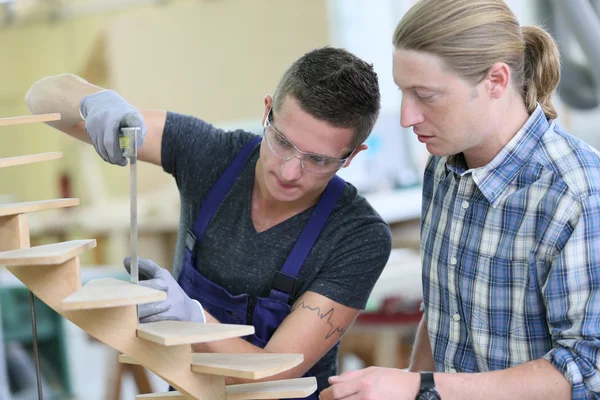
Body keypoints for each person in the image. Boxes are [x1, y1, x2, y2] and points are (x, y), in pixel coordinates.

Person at [25, 47, 392, 397]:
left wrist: (194, 319)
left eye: (318, 160)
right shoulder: (211, 155)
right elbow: (40, 98)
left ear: (351, 156)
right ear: (267, 111)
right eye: (282, 140)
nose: (290, 170)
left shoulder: (358, 236)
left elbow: (276, 372)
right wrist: (95, 100)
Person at [320, 0, 600, 399]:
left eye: (426, 95)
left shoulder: (577, 192)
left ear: (496, 81)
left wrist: (418, 385)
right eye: (403, 92)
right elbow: (444, 319)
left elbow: (588, 372)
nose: (406, 116)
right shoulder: (444, 167)